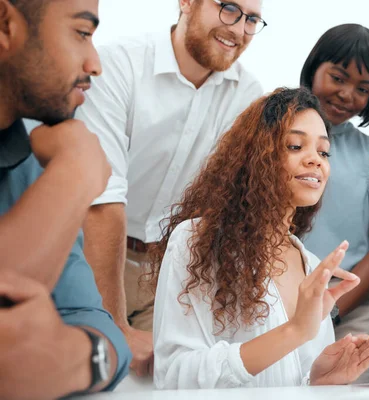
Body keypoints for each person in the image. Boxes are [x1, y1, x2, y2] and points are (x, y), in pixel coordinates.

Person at [76, 0, 265, 376]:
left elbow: (232, 209)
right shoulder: (118, 65)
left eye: (252, 19)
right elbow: (103, 199)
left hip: (170, 272)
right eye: (228, 8)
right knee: (88, 378)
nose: (239, 28)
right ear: (186, 2)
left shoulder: (249, 95)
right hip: (89, 258)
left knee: (165, 385)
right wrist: (115, 324)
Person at [149, 88, 369, 389]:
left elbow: (288, 381)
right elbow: (174, 376)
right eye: (296, 146)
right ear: (256, 155)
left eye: (324, 151)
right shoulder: (197, 241)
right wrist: (294, 331)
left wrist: (319, 381)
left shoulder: (310, 265)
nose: (316, 160)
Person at [0, 0, 131, 397]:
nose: (95, 63)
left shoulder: (34, 160)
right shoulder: (63, 165)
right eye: (82, 33)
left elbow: (92, 319)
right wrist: (76, 174)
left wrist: (77, 357)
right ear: (5, 25)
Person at [300, 24, 369, 383]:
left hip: (351, 315)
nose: (346, 95)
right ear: (314, 68)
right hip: (274, 307)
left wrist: (331, 312)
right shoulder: (268, 133)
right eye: (338, 78)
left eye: (362, 89)